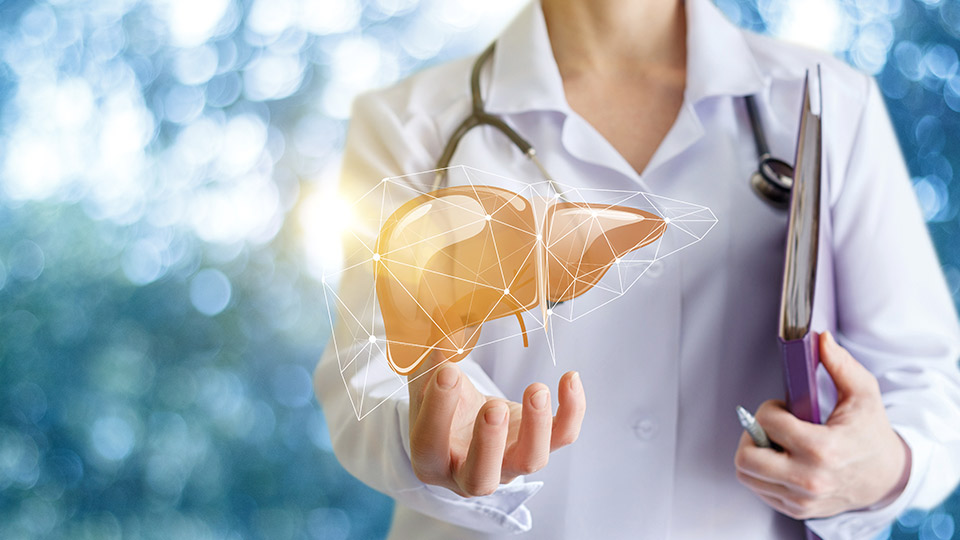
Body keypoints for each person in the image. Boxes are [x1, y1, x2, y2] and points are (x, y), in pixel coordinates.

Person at [313, 0, 960, 538]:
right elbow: (367, 370)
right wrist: (430, 427)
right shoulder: (408, 122)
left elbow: (923, 378)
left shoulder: (827, 102)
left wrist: (887, 463)